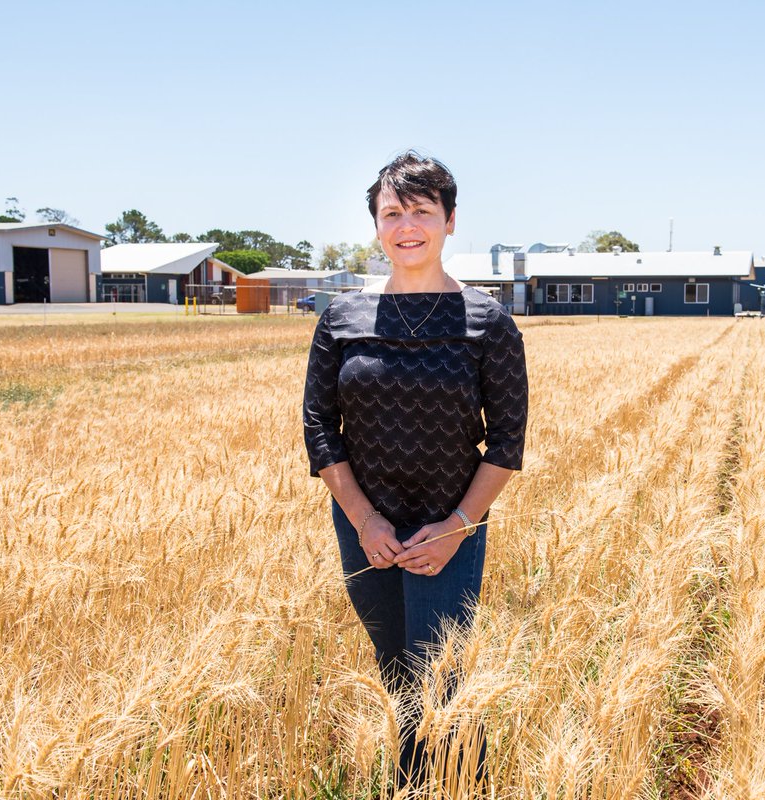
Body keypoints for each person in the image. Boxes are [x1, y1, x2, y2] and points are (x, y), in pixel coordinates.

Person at [302, 151, 528, 790]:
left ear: (450, 221)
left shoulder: (488, 323)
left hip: (448, 524)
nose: (407, 225)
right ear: (376, 225)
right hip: (363, 526)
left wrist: (459, 524)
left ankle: (460, 784)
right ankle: (415, 783)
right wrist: (365, 519)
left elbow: (507, 443)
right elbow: (320, 429)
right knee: (397, 668)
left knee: (442, 673)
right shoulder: (341, 319)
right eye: (392, 212)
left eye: (422, 211)